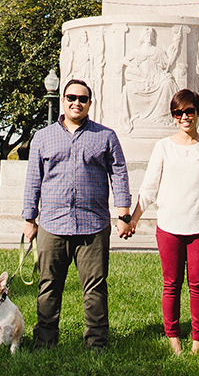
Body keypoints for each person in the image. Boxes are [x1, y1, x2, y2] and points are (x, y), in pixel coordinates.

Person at [22, 78, 132, 351]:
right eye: (71, 97)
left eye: (82, 99)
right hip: (52, 223)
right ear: (63, 100)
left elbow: (119, 174)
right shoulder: (43, 137)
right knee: (49, 285)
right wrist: (29, 219)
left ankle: (97, 343)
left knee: (95, 287)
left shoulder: (105, 136)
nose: (76, 103)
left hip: (93, 224)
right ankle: (44, 341)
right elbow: (33, 179)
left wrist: (123, 214)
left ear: (90, 104)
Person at [130, 88, 199, 355]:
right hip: (169, 226)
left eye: (189, 111)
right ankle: (173, 337)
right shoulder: (163, 147)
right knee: (171, 284)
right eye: (178, 113)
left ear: (197, 112)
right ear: (173, 116)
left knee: (198, 284)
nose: (184, 117)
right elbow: (149, 189)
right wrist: (133, 220)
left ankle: (198, 340)